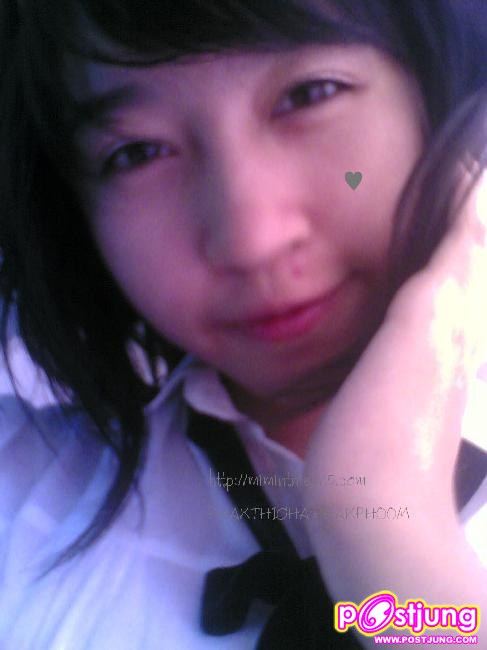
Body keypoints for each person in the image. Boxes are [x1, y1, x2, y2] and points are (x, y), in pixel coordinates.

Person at [0, 0, 486, 648]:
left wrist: (385, 526)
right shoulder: (22, 494)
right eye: (138, 152)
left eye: (310, 94)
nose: (250, 242)